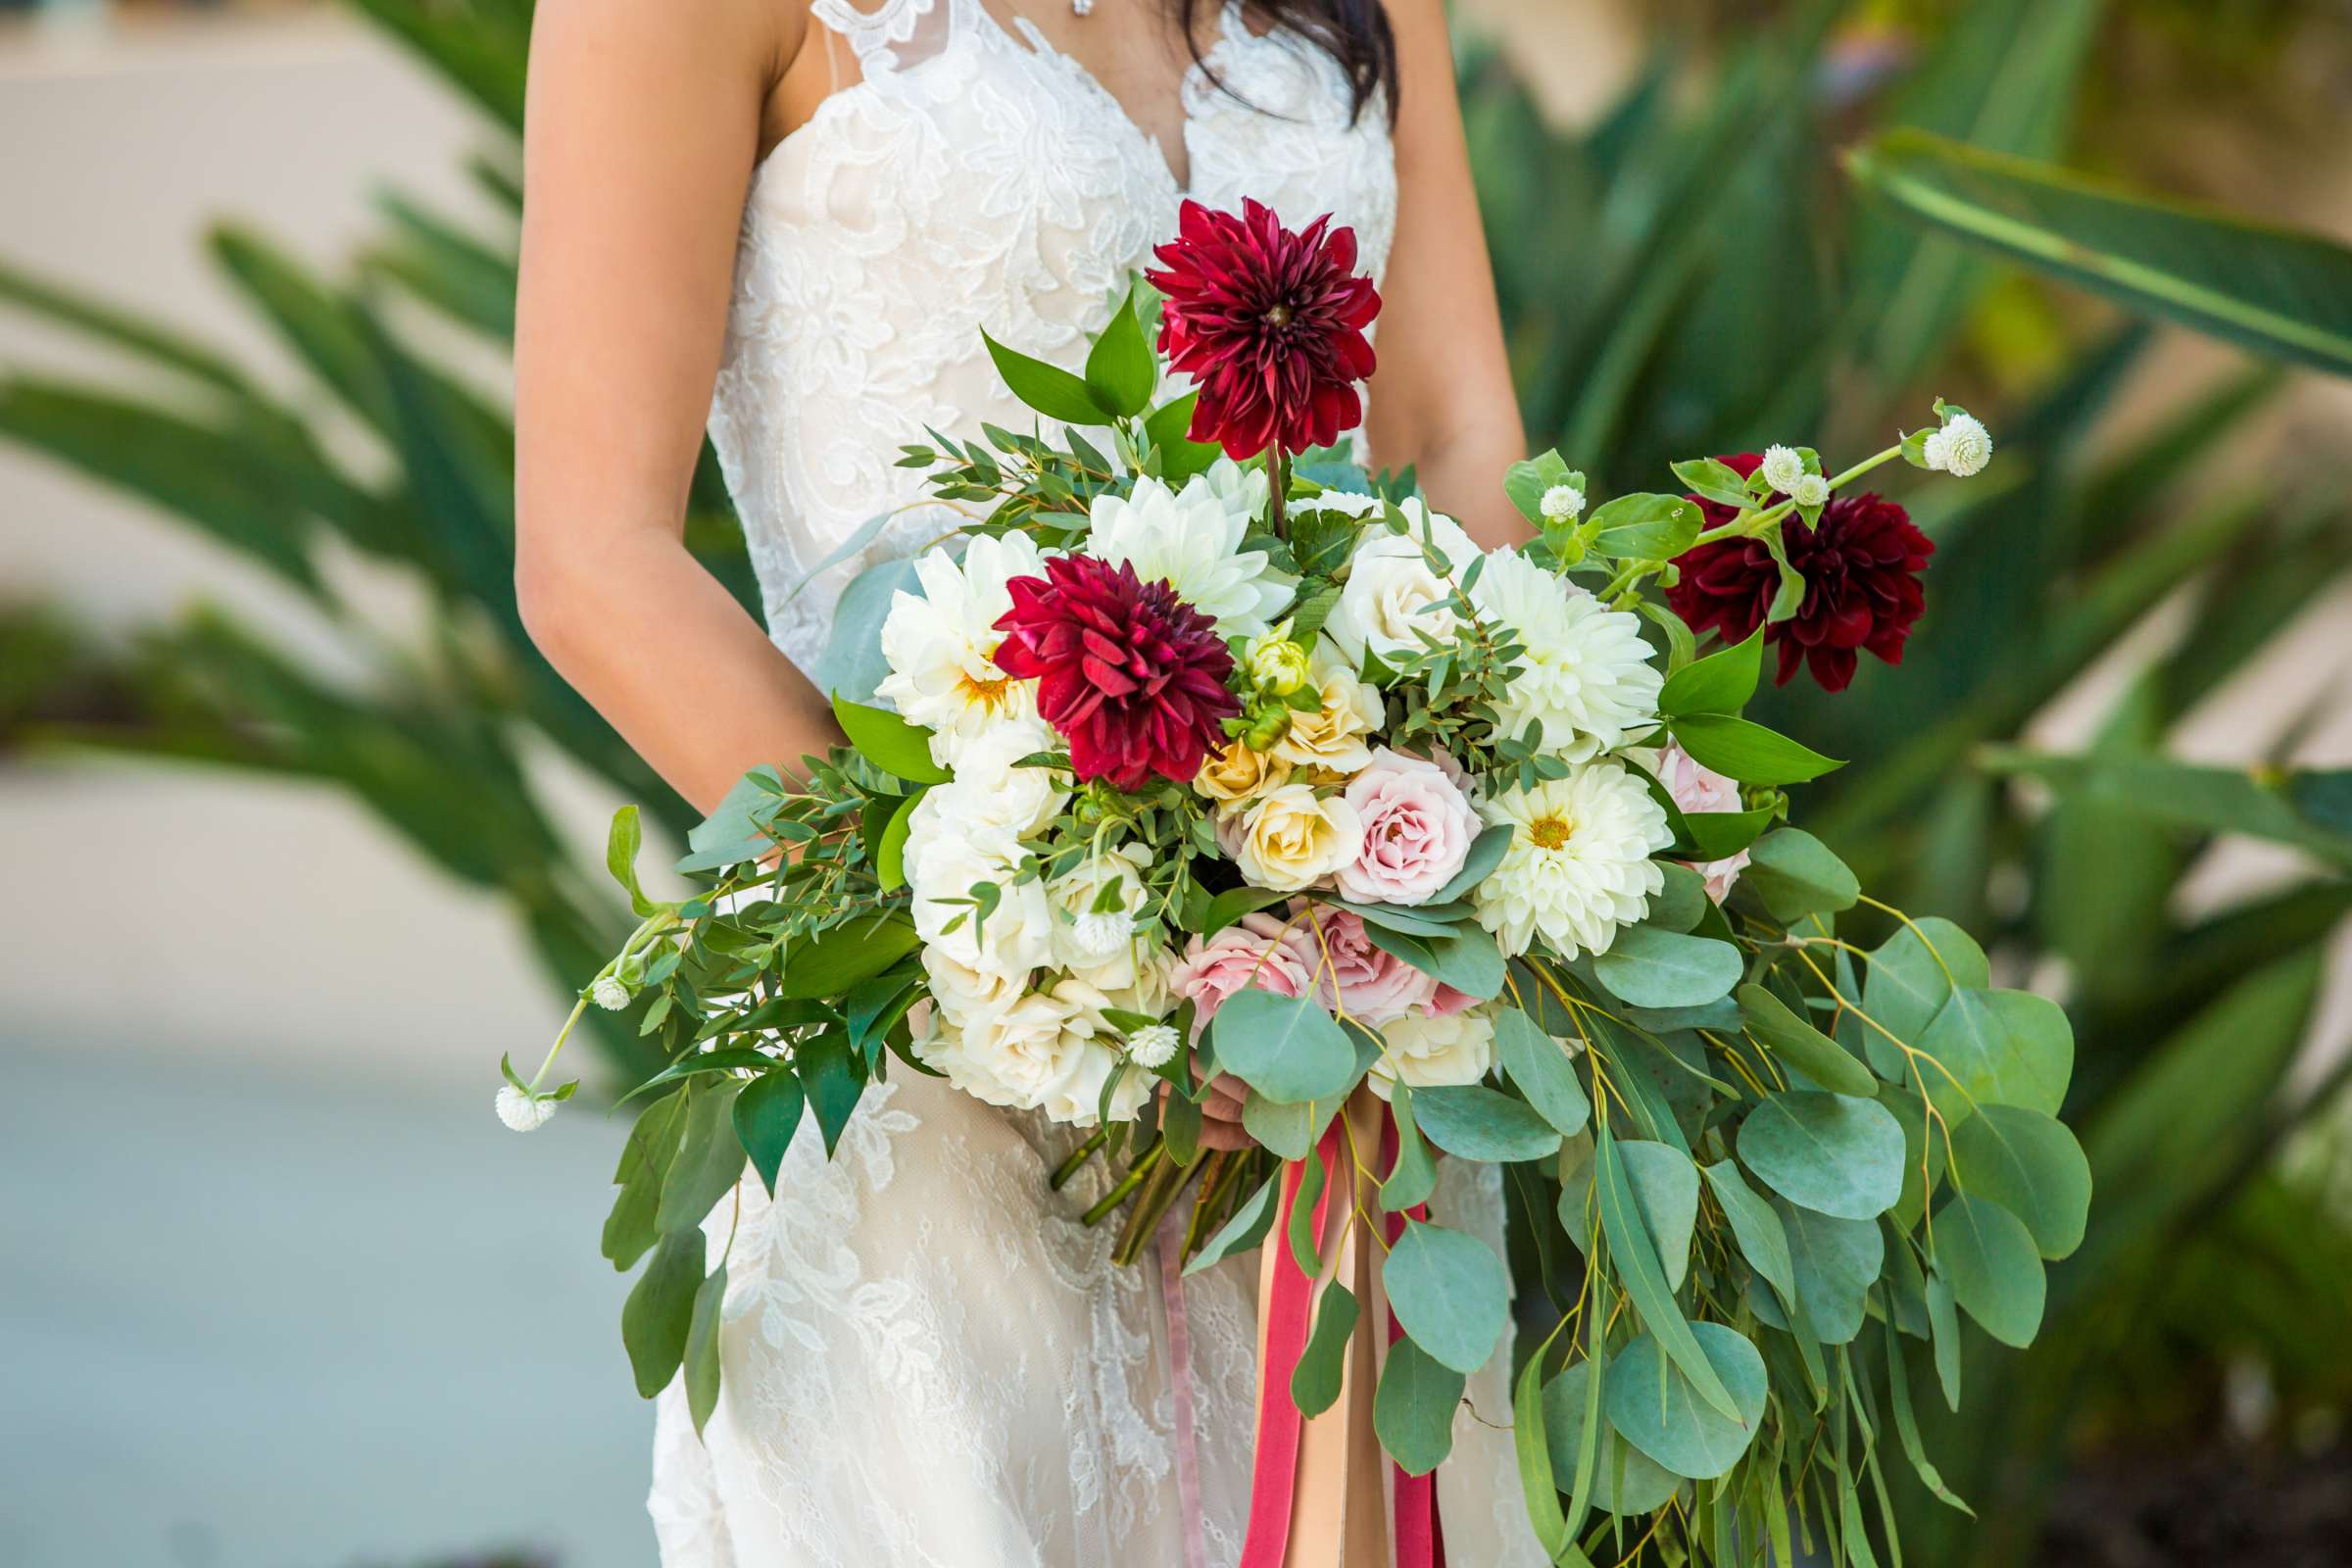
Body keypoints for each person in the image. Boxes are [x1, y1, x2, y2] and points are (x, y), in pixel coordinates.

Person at [513, 1, 1536, 1561]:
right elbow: (593, 563)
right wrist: (1063, 970)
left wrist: (1443, 861)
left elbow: (1459, 437)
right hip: (917, 1044)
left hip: (1332, 1047)